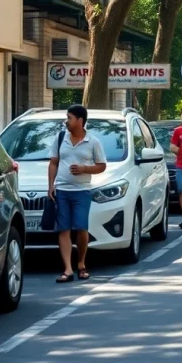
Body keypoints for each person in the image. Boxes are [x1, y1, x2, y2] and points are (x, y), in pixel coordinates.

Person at [48, 104, 107, 283]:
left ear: (80, 121)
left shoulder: (93, 142)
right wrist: (51, 185)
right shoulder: (60, 138)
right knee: (63, 229)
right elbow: (53, 163)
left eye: (69, 118)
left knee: (81, 228)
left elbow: (102, 165)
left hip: (82, 192)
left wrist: (84, 168)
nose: (66, 121)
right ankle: (68, 268)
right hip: (63, 191)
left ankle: (81, 263)